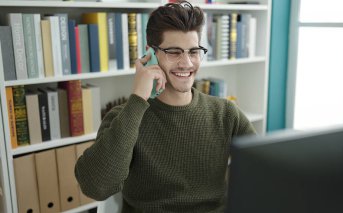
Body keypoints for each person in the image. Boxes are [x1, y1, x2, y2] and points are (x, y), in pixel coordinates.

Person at [75, 1, 256, 212]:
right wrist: (138, 97)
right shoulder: (124, 117)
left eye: (193, 51)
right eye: (174, 52)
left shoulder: (226, 114)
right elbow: (96, 187)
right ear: (150, 54)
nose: (186, 63)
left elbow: (265, 170)